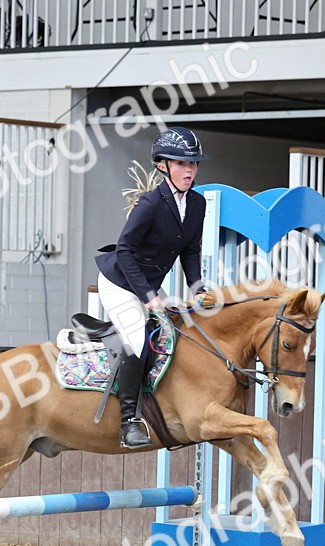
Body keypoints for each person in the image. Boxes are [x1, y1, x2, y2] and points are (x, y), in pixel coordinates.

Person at [95, 126, 210, 449]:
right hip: (120, 283)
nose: (190, 171)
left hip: (146, 285)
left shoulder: (197, 204)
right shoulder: (149, 204)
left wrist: (198, 288)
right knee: (137, 339)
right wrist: (148, 296)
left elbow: (189, 250)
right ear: (163, 165)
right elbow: (124, 250)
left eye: (193, 164)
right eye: (181, 164)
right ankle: (128, 422)